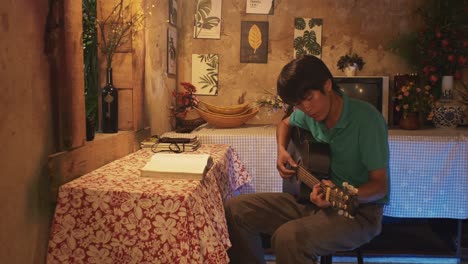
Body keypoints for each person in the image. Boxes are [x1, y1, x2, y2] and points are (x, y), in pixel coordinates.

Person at [225, 55, 389, 264]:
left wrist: (343, 194)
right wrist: (281, 150)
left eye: (309, 98)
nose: (306, 109)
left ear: (327, 85)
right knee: (236, 209)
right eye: (298, 104)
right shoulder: (307, 113)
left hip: (359, 211)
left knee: (288, 238)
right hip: (313, 202)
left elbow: (380, 186)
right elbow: (285, 124)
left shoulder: (367, 120)